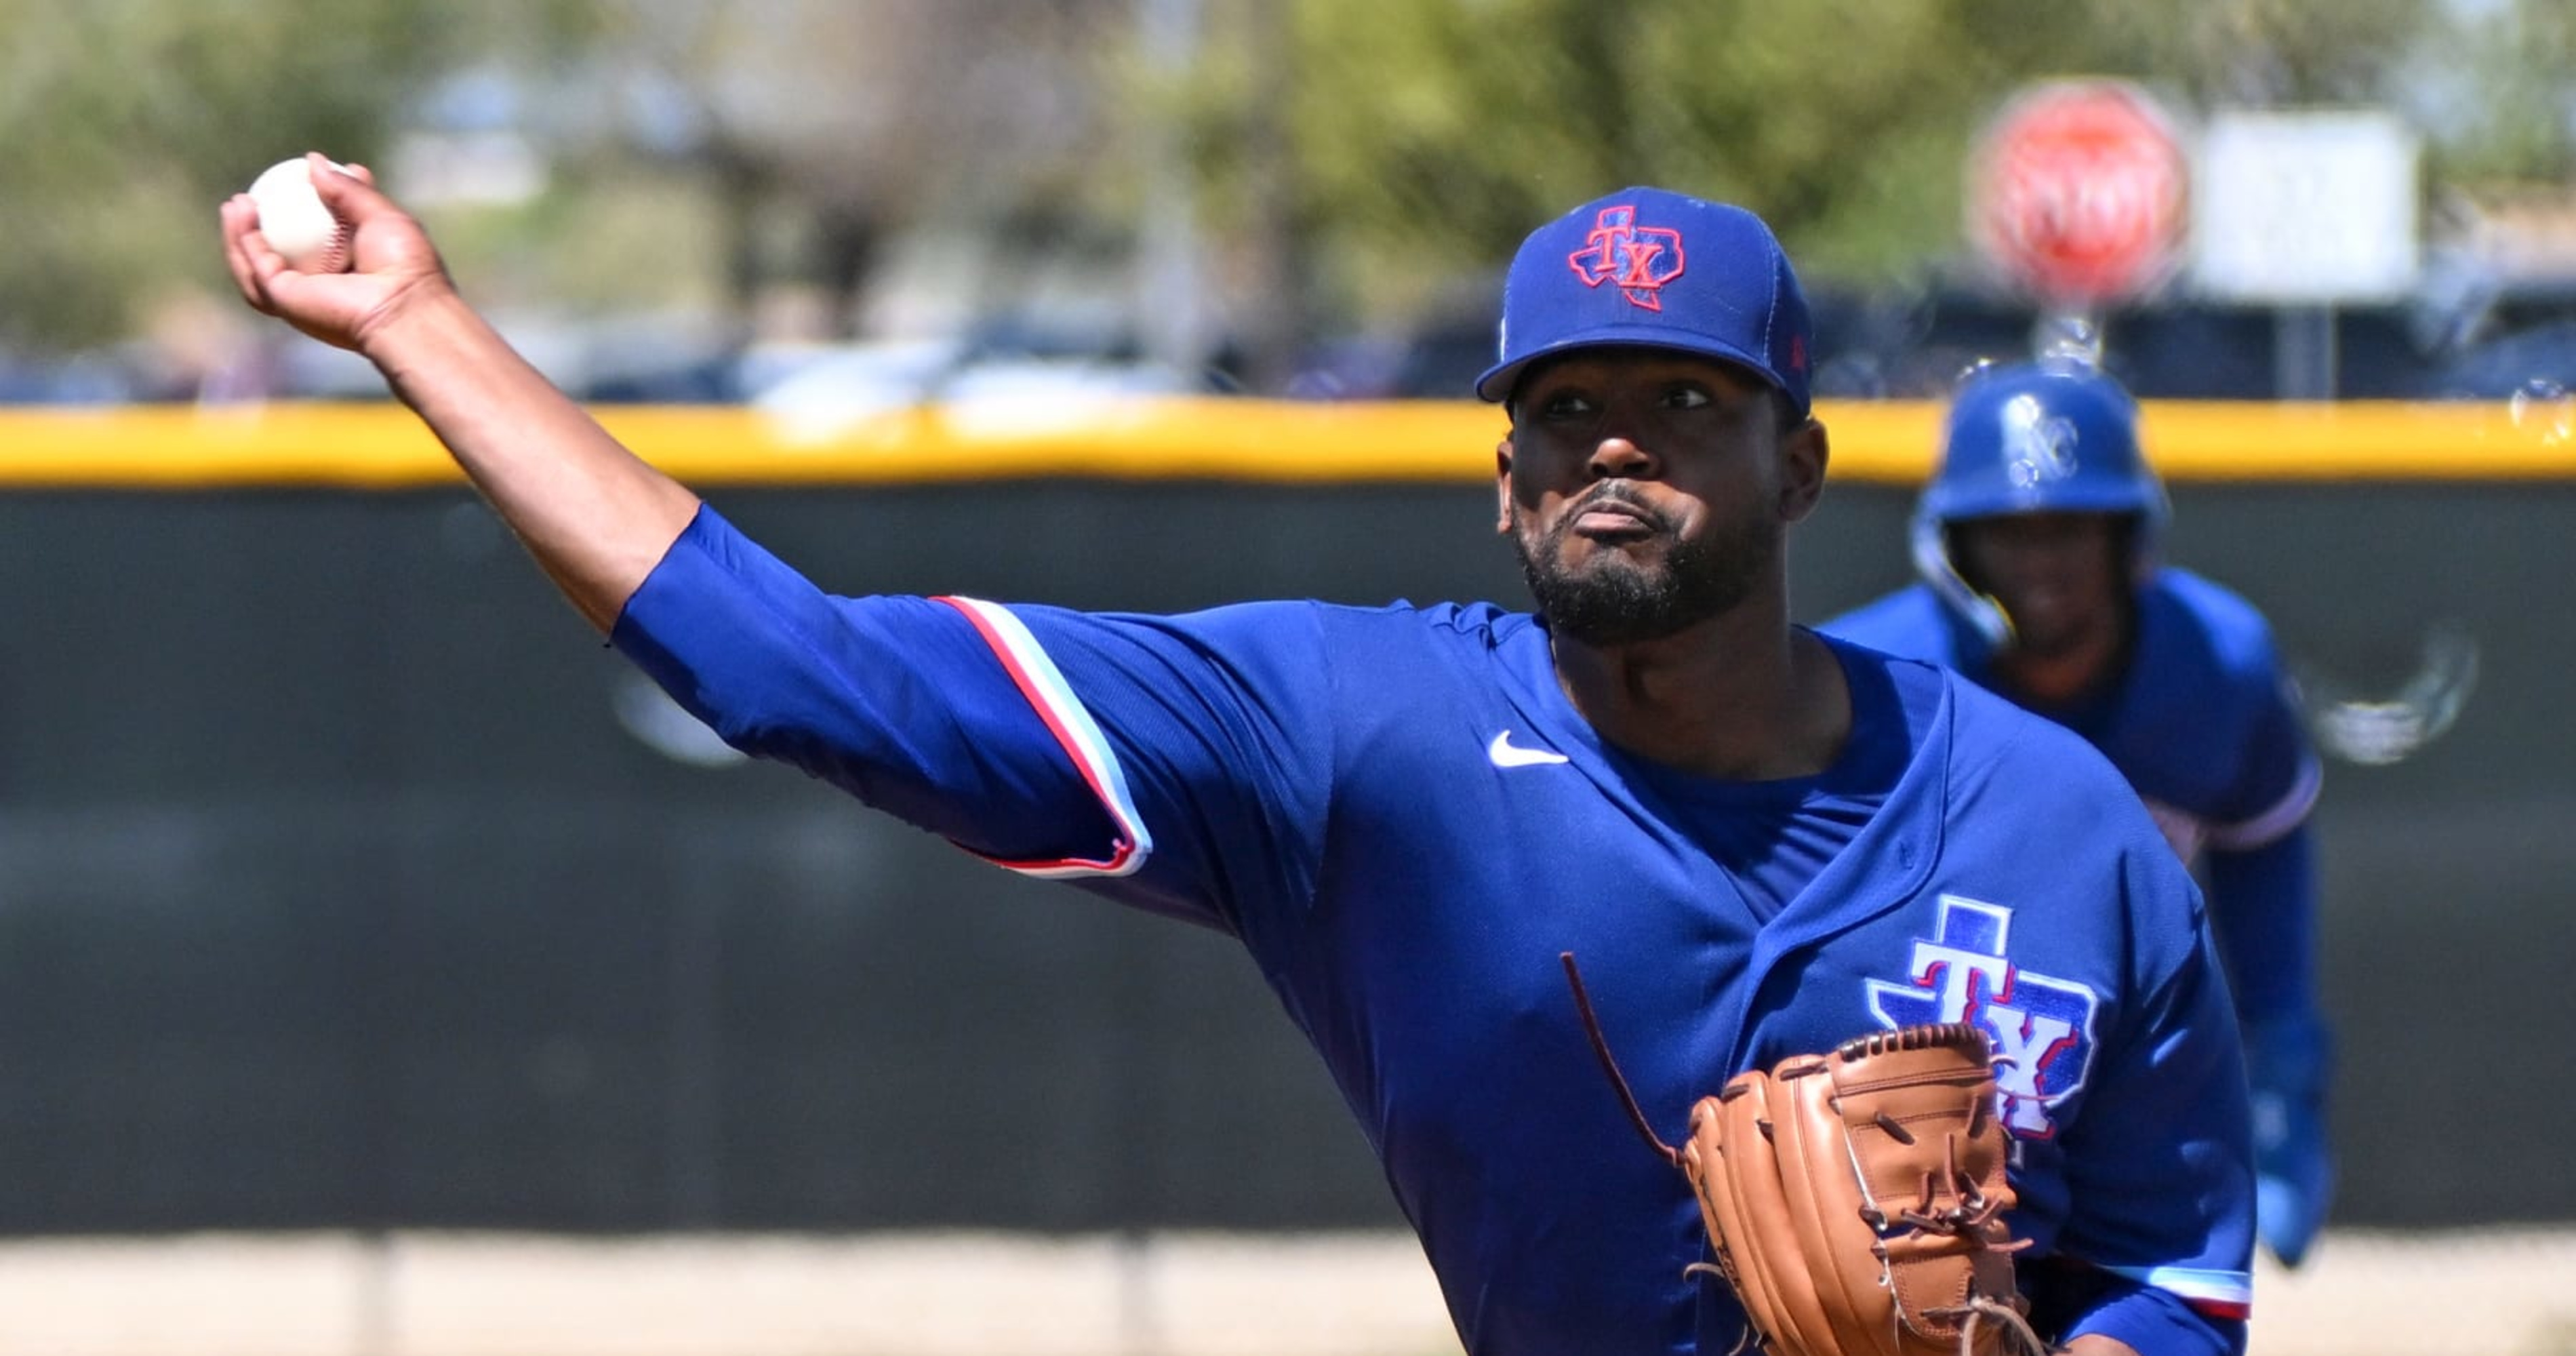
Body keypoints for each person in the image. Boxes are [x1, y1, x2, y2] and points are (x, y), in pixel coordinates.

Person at [222, 162, 2255, 1356]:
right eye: (1562, 407)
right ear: (1501, 477)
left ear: (1800, 461)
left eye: (1681, 398)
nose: (1612, 442)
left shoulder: (2056, 824)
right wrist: (420, 326)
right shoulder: (1359, 742)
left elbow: (2180, 1262)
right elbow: (808, 674)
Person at [1822, 359, 2332, 1269]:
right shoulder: (1872, 680)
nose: (2043, 560)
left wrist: (2283, 1066)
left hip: (2112, 1050)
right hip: (1918, 1055)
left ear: (2130, 538)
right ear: (1955, 546)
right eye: (2009, 532)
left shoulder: (2219, 667)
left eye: (2073, 527)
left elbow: (2265, 844)